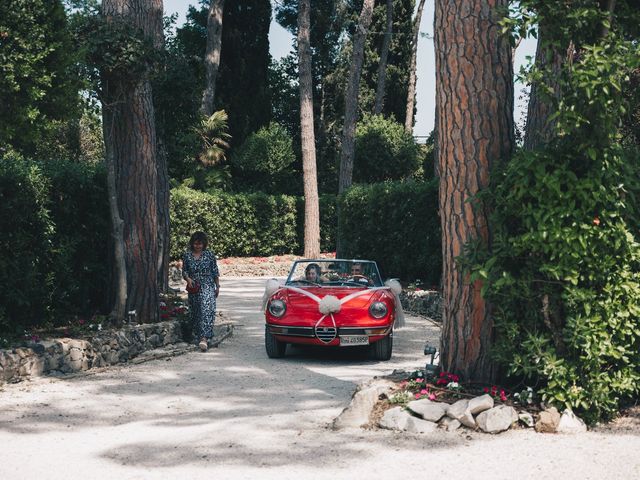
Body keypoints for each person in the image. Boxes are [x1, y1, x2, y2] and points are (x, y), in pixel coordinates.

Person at [182, 231, 220, 352]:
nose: (198, 246)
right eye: (195, 243)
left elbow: (215, 271)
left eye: (200, 244)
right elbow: (185, 271)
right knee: (196, 311)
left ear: (204, 244)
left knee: (207, 309)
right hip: (194, 286)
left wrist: (217, 286)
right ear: (192, 244)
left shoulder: (209, 255)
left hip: (208, 284)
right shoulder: (187, 255)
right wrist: (188, 279)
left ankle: (204, 338)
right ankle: (199, 335)